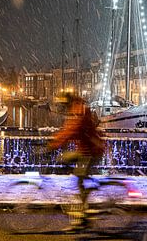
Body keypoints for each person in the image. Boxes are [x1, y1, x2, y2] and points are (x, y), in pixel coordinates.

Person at [48, 93, 105, 230]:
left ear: (67, 103)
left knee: (80, 176)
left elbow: (72, 129)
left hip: (91, 150)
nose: (61, 108)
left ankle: (83, 213)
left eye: (62, 105)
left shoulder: (78, 110)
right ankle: (82, 198)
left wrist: (54, 143)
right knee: (64, 160)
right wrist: (56, 141)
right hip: (85, 148)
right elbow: (68, 130)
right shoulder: (76, 109)